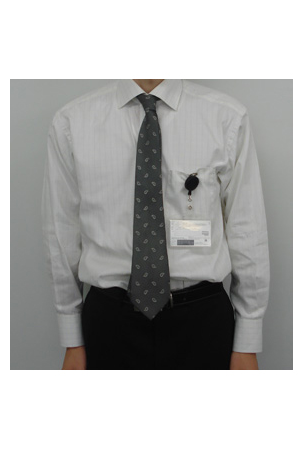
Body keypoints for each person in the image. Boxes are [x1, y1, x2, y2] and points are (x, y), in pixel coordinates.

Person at [41, 79, 270, 370]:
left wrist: (247, 340)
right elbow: (61, 233)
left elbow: (247, 230)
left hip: (202, 322)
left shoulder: (226, 118)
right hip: (109, 323)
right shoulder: (71, 123)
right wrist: (72, 337)